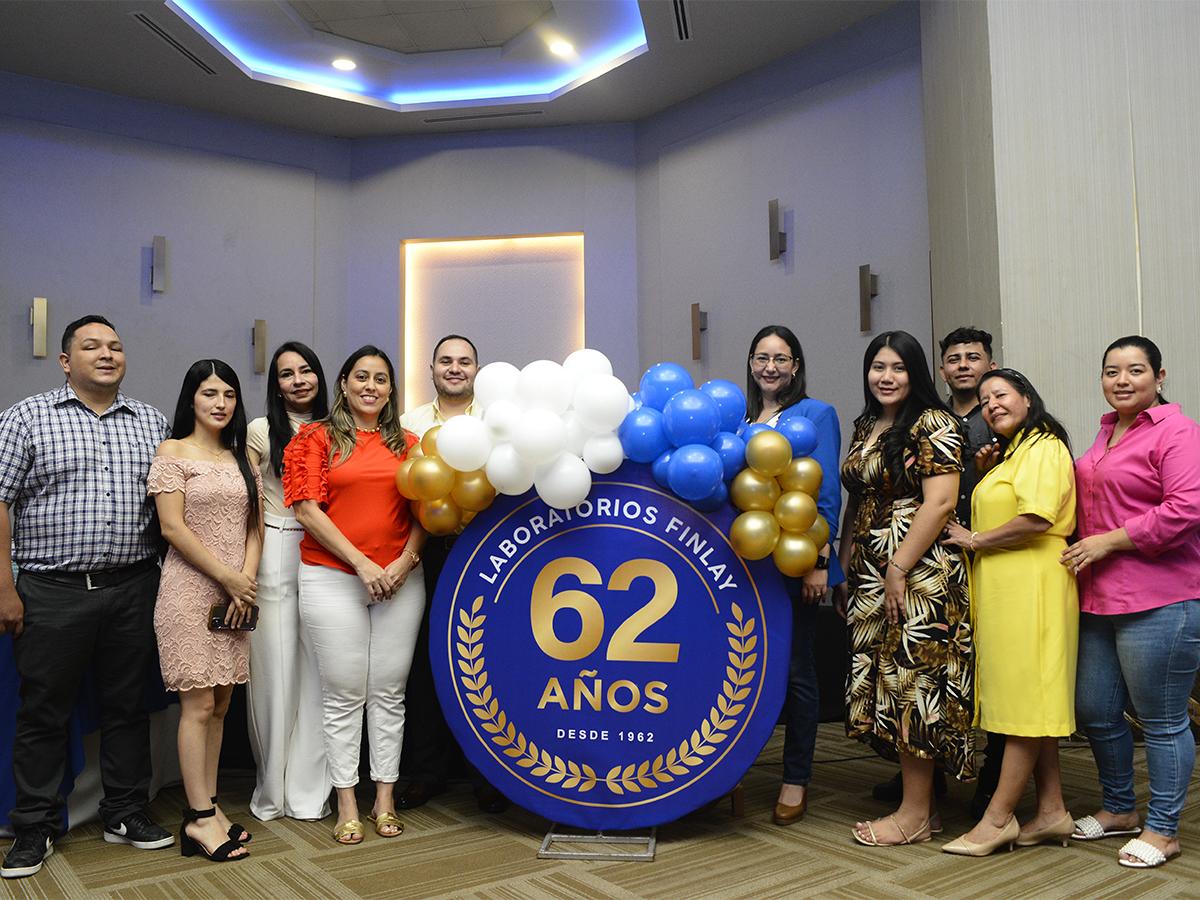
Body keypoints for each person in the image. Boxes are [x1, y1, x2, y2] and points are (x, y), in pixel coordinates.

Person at [0, 316, 174, 880]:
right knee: (44, 710)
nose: (107, 354)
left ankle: (125, 811)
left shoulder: (150, 421)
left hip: (133, 586)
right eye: (92, 346)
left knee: (127, 705)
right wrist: (4, 586)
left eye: (116, 346)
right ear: (64, 360)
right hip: (52, 590)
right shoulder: (27, 418)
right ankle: (34, 825)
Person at [1062, 336, 1200, 869]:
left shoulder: (1178, 431)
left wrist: (1109, 541)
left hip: (1161, 599)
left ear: (1159, 377)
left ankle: (1163, 829)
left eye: (1135, 370)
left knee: (1162, 720)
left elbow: (1185, 508)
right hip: (1099, 598)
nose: (1122, 380)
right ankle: (1120, 808)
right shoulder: (1104, 433)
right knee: (1095, 709)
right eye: (1111, 371)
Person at [834, 330, 973, 847]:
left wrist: (897, 567)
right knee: (884, 682)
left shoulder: (934, 422)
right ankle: (925, 809)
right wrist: (848, 561)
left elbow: (940, 503)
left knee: (913, 685)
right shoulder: (869, 423)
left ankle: (913, 814)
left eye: (898, 367)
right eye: (878, 367)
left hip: (919, 572)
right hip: (873, 569)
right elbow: (859, 496)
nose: (886, 377)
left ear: (915, 373)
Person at [284, 346, 426, 845]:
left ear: (391, 389)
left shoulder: (410, 443)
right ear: (343, 383)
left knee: (389, 692)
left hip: (399, 581)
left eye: (381, 379)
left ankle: (383, 800)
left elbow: (425, 514)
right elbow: (306, 510)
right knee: (344, 694)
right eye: (361, 377)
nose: (371, 386)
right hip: (332, 578)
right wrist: (363, 564)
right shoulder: (314, 438)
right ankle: (347, 801)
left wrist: (403, 564)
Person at [942, 369, 1077, 855]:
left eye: (1001, 394)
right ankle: (1052, 811)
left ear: (1027, 397)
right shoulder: (1013, 451)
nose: (991, 404)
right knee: (1026, 700)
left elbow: (1037, 517)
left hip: (1032, 584)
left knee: (1025, 702)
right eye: (984, 400)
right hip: (1007, 586)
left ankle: (998, 819)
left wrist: (973, 539)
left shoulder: (1043, 444)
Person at [874, 327, 1001, 814]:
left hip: (980, 552)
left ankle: (990, 780)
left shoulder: (1002, 415)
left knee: (979, 675)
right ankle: (930, 781)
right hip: (936, 550)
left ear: (990, 364)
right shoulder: (924, 417)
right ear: (942, 369)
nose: (965, 365)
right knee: (923, 675)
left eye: (975, 357)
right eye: (954, 358)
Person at [150, 359, 262, 863]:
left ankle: (210, 806)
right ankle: (197, 820)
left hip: (236, 597)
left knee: (220, 705)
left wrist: (246, 582)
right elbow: (173, 528)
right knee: (196, 706)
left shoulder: (243, 458)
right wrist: (227, 576)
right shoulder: (173, 452)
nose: (220, 403)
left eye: (230, 395)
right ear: (191, 399)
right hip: (189, 592)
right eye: (210, 393)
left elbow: (255, 527)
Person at [397, 335, 507, 814]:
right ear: (432, 368)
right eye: (446, 361)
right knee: (425, 661)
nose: (455, 368)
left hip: (489, 555)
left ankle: (488, 773)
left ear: (477, 369)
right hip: (429, 553)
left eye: (465, 361)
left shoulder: (498, 419)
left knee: (486, 661)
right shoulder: (408, 424)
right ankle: (426, 771)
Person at [742, 326, 844, 826]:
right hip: (746, 566)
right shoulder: (741, 417)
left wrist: (820, 561)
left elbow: (822, 493)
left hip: (796, 561)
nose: (771, 367)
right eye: (762, 357)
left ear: (796, 366)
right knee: (742, 670)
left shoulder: (815, 414)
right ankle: (731, 770)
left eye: (781, 358)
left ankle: (795, 779)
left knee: (797, 672)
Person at [245, 342, 332, 821]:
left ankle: (309, 792)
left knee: (321, 673)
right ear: (275, 385)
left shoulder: (338, 427)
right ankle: (273, 789)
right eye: (286, 374)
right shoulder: (260, 431)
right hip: (277, 547)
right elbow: (248, 504)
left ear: (320, 376)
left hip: (330, 552)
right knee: (274, 673)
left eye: (306, 371)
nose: (298, 380)